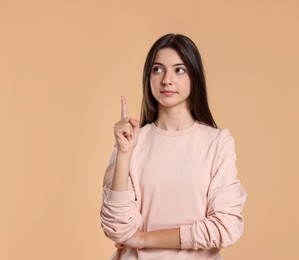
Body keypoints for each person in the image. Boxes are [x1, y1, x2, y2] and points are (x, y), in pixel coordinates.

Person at [100, 33, 247, 260]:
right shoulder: (132, 142)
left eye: (179, 70)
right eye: (158, 69)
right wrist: (124, 154)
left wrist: (144, 239)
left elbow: (225, 227)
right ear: (148, 77)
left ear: (194, 77)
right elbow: (116, 228)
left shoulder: (217, 143)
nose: (167, 80)